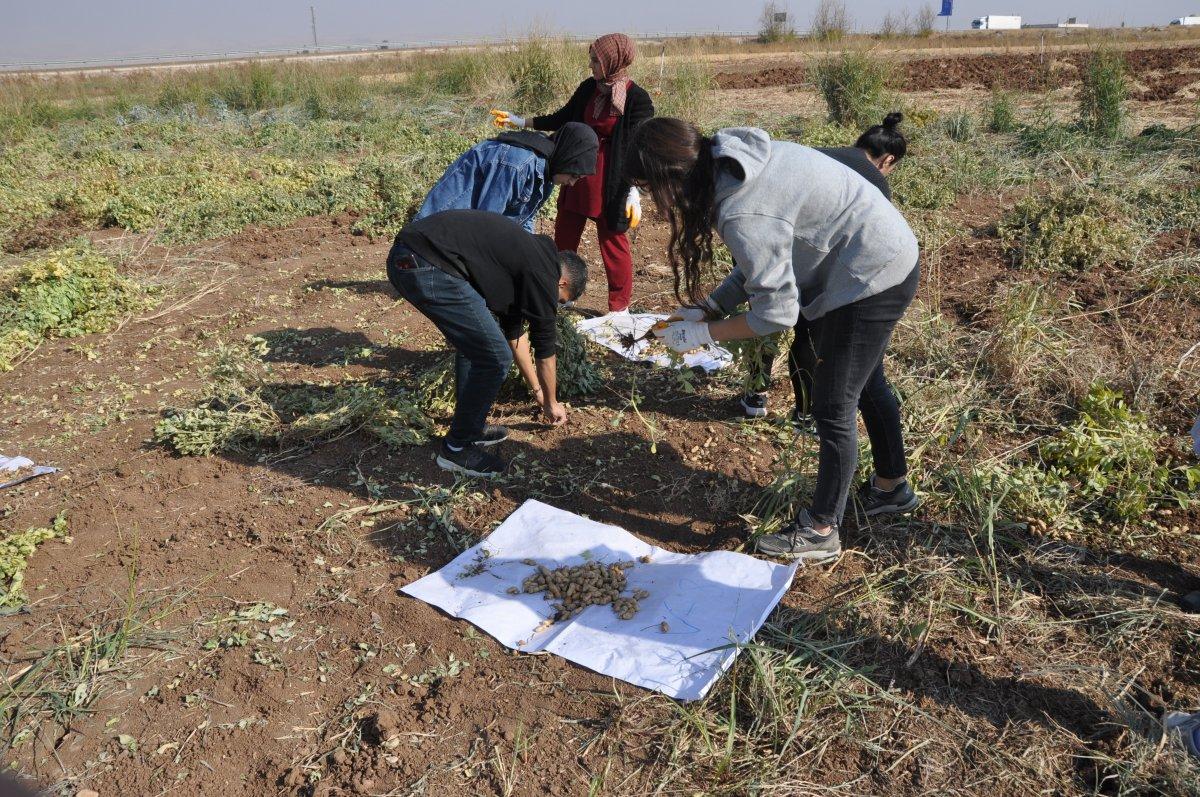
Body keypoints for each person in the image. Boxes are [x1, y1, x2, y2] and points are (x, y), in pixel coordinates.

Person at [627, 118, 921, 561]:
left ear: (673, 179)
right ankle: (891, 486)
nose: (654, 202)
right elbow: (763, 260)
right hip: (880, 252)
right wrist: (709, 307)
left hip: (871, 275)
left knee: (833, 403)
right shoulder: (728, 158)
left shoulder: (742, 210)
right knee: (867, 382)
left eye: (650, 189)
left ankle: (822, 530)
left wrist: (703, 333)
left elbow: (776, 315)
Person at [387, 209, 589, 477]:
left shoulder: (525, 263)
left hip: (414, 256)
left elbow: (516, 336)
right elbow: (545, 350)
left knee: (478, 347)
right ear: (562, 282)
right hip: (424, 263)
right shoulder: (542, 273)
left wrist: (538, 391)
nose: (555, 306)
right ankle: (457, 449)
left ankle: (470, 425)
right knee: (494, 357)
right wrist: (552, 402)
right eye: (560, 300)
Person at [740, 112, 909, 420]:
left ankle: (755, 396)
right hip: (818, 268)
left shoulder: (821, 157)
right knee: (808, 340)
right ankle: (805, 413)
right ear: (887, 159)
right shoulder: (874, 183)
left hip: (769, 244)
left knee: (763, 323)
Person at [490, 32, 654, 314]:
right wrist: (521, 120)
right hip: (578, 173)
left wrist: (634, 189)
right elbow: (562, 117)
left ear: (613, 61)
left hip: (612, 180)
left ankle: (619, 307)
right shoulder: (589, 88)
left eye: (595, 60)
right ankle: (558, 293)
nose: (591, 66)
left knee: (613, 242)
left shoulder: (637, 99)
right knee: (564, 235)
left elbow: (640, 146)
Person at [414, 122, 599, 233]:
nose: (572, 184)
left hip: (464, 229)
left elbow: (523, 219)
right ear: (568, 158)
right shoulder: (517, 163)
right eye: (574, 175)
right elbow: (487, 224)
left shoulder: (548, 169)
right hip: (433, 235)